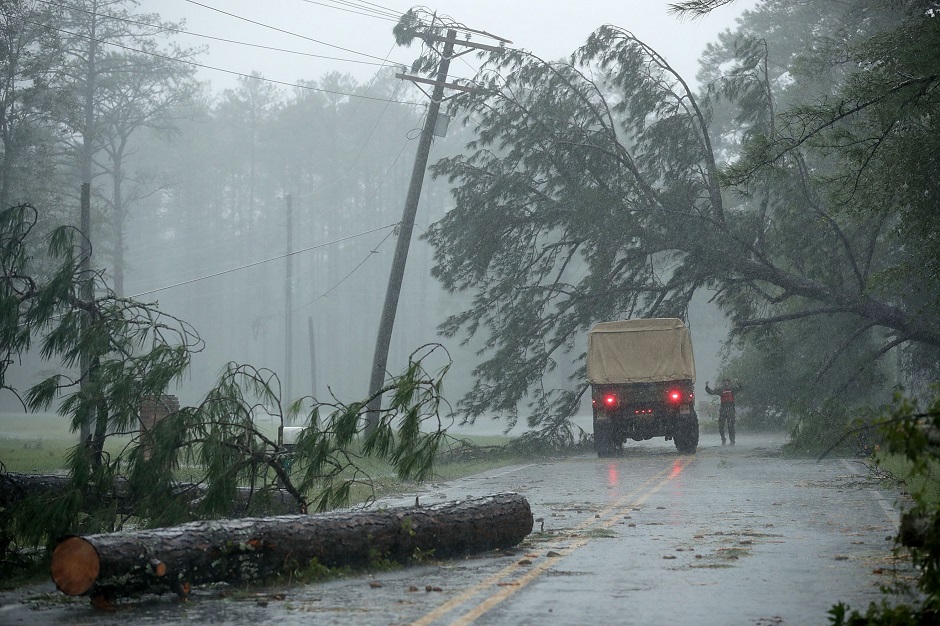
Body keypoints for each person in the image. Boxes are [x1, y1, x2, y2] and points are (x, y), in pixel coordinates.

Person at [705, 379, 742, 446]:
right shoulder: (721, 390)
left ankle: (732, 441)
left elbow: (740, 388)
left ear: (729, 383)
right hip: (723, 409)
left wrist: (738, 383)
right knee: (721, 426)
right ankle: (723, 438)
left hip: (731, 409)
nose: (726, 383)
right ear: (723, 383)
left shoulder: (732, 389)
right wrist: (707, 387)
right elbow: (711, 392)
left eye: (727, 382)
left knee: (731, 426)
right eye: (725, 382)